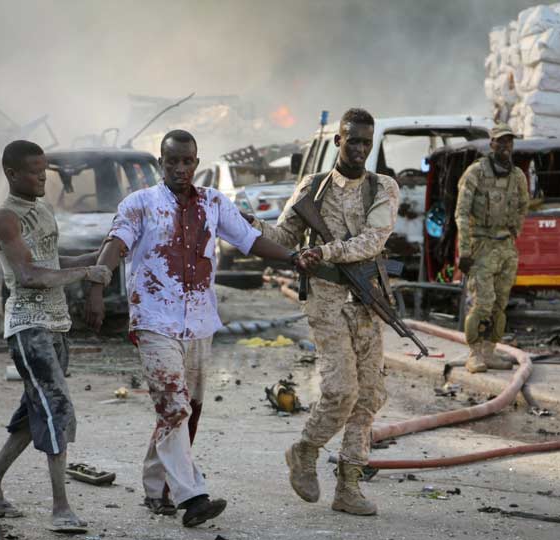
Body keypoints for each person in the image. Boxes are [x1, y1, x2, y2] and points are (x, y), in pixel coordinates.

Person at [84, 129, 311, 528]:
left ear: (196, 163)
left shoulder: (214, 202)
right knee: (174, 406)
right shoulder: (139, 204)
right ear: (161, 163)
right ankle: (193, 497)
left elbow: (250, 240)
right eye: (172, 161)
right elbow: (115, 246)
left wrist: (293, 257)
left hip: (200, 322)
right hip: (154, 319)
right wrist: (96, 290)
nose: (180, 168)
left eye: (187, 161)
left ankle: (156, 488)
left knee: (184, 411)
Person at [248, 108, 399, 515]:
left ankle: (348, 486)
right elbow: (285, 235)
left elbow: (372, 241)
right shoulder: (312, 188)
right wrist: (252, 225)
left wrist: (325, 251)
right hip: (326, 301)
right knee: (341, 390)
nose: (360, 149)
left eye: (366, 142)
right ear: (338, 140)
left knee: (369, 394)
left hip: (366, 299)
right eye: (353, 140)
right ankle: (305, 450)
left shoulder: (383, 187)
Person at [0, 140, 112, 533]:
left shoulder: (44, 209)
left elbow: (51, 263)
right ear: (12, 173)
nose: (42, 178)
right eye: (35, 172)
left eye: (44, 170)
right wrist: (86, 273)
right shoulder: (6, 218)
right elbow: (29, 275)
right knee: (56, 408)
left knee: (35, 411)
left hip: (56, 325)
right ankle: (60, 507)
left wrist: (91, 258)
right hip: (28, 327)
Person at [455, 123, 529, 374]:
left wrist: (514, 232)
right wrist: (465, 251)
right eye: (501, 141)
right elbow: (461, 213)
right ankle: (474, 354)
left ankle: (490, 351)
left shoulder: (517, 176)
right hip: (482, 246)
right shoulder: (475, 173)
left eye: (510, 141)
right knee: (482, 303)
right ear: (492, 144)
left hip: (506, 249)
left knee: (500, 304)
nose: (506, 146)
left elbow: (523, 206)